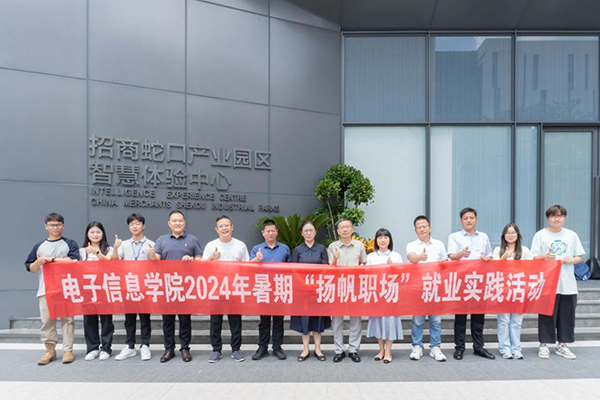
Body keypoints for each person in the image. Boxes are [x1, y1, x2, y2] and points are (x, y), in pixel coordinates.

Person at [24, 213, 79, 365]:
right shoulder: (39, 246)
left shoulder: (70, 243)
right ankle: (50, 351)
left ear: (63, 226)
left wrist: (51, 260)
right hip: (45, 289)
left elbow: (74, 261)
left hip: (65, 288)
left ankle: (68, 350)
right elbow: (30, 267)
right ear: (46, 226)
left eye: (58, 224)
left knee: (67, 320)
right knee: (47, 321)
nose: (55, 227)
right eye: (52, 225)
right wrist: (38, 263)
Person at [531, 205, 585, 360]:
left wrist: (571, 259)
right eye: (554, 216)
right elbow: (533, 257)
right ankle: (544, 344)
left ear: (564, 218)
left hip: (567, 283)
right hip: (547, 282)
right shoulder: (540, 235)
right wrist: (545, 257)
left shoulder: (571, 235)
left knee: (567, 315)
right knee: (547, 314)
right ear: (548, 218)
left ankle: (562, 344)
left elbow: (579, 256)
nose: (557, 219)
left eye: (560, 216)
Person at [149, 210, 203, 363]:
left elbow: (200, 259)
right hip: (167, 286)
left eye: (180, 220)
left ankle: (185, 348)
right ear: (169, 223)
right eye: (174, 221)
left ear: (184, 222)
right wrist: (151, 253)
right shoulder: (161, 240)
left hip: (185, 286)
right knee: (167, 319)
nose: (177, 223)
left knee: (185, 319)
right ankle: (169, 349)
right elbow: (155, 260)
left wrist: (191, 259)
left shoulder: (192, 239)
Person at [447, 207, 494, 360]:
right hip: (462, 281)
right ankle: (459, 348)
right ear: (461, 221)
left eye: (471, 218)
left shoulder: (483, 237)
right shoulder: (454, 237)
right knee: (460, 317)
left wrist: (487, 258)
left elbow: (489, 256)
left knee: (478, 317)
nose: (468, 220)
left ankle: (478, 347)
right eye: (465, 218)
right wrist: (461, 254)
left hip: (479, 280)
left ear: (476, 220)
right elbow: (451, 256)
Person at [202, 215, 249, 363]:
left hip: (235, 289)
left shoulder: (240, 245)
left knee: (235, 321)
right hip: (216, 290)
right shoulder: (211, 245)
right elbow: (202, 266)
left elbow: (247, 266)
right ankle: (216, 350)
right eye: (221, 226)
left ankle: (236, 349)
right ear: (217, 229)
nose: (224, 228)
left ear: (232, 227)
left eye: (227, 225)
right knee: (215, 321)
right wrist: (212, 257)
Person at [406, 215, 447, 362]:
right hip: (418, 288)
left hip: (435, 287)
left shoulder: (438, 244)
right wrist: (420, 258)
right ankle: (417, 346)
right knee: (418, 320)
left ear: (430, 228)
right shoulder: (412, 245)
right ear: (415, 230)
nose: (422, 229)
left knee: (436, 320)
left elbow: (445, 262)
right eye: (419, 227)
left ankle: (435, 347)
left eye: (424, 226)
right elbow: (411, 257)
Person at [113, 213, 155, 361]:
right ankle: (130, 346)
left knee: (145, 317)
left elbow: (156, 264)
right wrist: (115, 248)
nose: (134, 226)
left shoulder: (151, 244)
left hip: (144, 286)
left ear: (143, 226)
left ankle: (145, 346)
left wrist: (152, 254)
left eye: (137, 224)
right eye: (131, 224)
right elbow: (116, 261)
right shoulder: (123, 244)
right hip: (129, 285)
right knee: (129, 318)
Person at [250, 219, 291, 361]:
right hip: (263, 289)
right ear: (263, 233)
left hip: (280, 289)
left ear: (277, 232)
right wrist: (257, 259)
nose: (270, 233)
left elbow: (291, 268)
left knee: (279, 320)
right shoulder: (257, 249)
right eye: (268, 231)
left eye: (273, 231)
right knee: (264, 321)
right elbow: (248, 267)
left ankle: (277, 347)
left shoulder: (284, 248)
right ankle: (262, 348)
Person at [290, 220, 330, 362]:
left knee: (317, 320)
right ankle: (305, 349)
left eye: (311, 230)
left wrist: (317, 285)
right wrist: (303, 285)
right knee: (304, 319)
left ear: (315, 232)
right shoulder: (297, 250)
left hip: (318, 291)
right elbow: (293, 270)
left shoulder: (321, 249)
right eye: (306, 231)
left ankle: (318, 349)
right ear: (302, 233)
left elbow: (326, 268)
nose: (308, 233)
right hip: (303, 292)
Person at [492, 223, 533, 360]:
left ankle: (516, 349)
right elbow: (494, 269)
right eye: (508, 233)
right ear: (503, 235)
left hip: (519, 289)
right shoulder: (498, 250)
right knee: (504, 320)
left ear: (518, 235)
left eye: (513, 232)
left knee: (516, 321)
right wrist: (504, 256)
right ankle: (504, 348)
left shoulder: (525, 251)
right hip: (503, 290)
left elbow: (531, 268)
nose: (510, 235)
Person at [328, 218, 367, 363]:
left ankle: (353, 349)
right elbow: (330, 268)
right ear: (338, 231)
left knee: (355, 320)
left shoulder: (359, 245)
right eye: (342, 227)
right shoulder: (332, 246)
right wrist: (335, 258)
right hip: (338, 287)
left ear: (352, 229)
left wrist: (361, 267)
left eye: (347, 227)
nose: (345, 229)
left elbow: (363, 262)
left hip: (355, 287)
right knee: (337, 320)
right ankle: (339, 350)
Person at [365, 228, 403, 364]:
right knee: (378, 322)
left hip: (391, 294)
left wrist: (393, 267)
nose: (383, 240)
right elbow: (367, 275)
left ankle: (388, 351)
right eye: (380, 237)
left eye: (386, 237)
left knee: (390, 322)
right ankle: (381, 350)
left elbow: (402, 275)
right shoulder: (371, 257)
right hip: (376, 294)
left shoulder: (396, 256)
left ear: (390, 240)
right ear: (376, 240)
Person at [80, 221, 116, 361]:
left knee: (106, 320)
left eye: (98, 232)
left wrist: (96, 252)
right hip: (88, 290)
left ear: (103, 234)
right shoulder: (81, 251)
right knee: (89, 320)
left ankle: (106, 348)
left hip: (104, 288)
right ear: (87, 234)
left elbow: (108, 262)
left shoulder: (109, 249)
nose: (95, 235)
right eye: (92, 232)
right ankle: (92, 348)